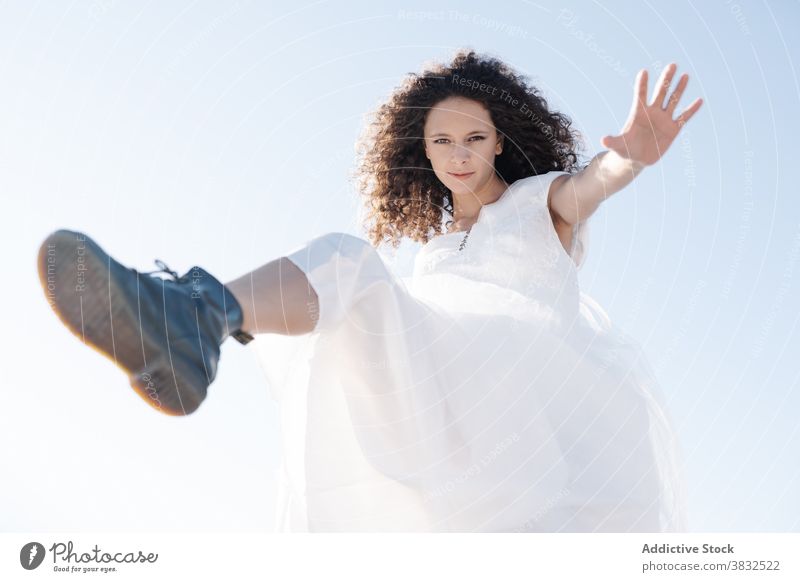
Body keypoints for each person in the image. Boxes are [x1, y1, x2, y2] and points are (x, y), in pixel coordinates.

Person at [37, 49, 702, 532]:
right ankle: (188, 321)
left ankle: (189, 315)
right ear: (425, 152)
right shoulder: (435, 257)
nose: (459, 153)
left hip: (521, 420)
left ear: (500, 141)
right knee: (351, 270)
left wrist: (631, 156)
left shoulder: (540, 203)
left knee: (351, 267)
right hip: (443, 418)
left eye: (474, 137)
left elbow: (591, 185)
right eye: (442, 140)